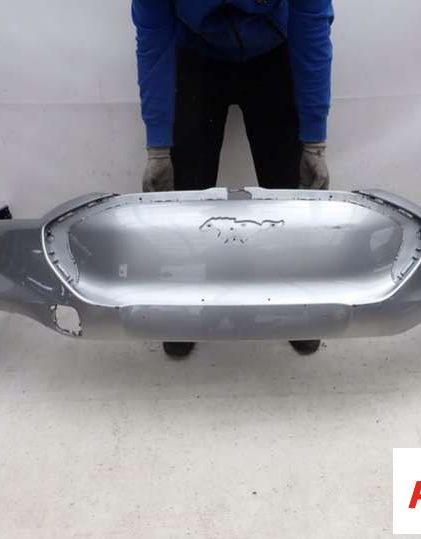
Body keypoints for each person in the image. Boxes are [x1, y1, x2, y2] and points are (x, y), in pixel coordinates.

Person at [132, 0, 334, 358]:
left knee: (289, 189)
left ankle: (298, 302)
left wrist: (314, 141)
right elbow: (154, 39)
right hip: (195, 54)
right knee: (186, 191)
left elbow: (312, 28)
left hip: (274, 50)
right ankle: (183, 304)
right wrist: (158, 148)